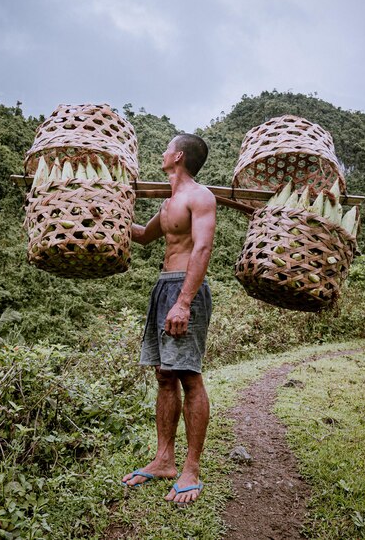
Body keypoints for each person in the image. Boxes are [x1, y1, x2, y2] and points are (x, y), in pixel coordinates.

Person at [122, 133, 216, 505]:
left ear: (177, 156)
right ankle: (164, 460)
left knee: (189, 376)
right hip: (163, 286)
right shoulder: (170, 202)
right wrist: (103, 211)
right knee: (164, 374)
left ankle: (191, 469)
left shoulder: (200, 196)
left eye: (166, 147)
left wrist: (184, 302)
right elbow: (144, 236)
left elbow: (203, 247)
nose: (160, 152)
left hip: (184, 289)